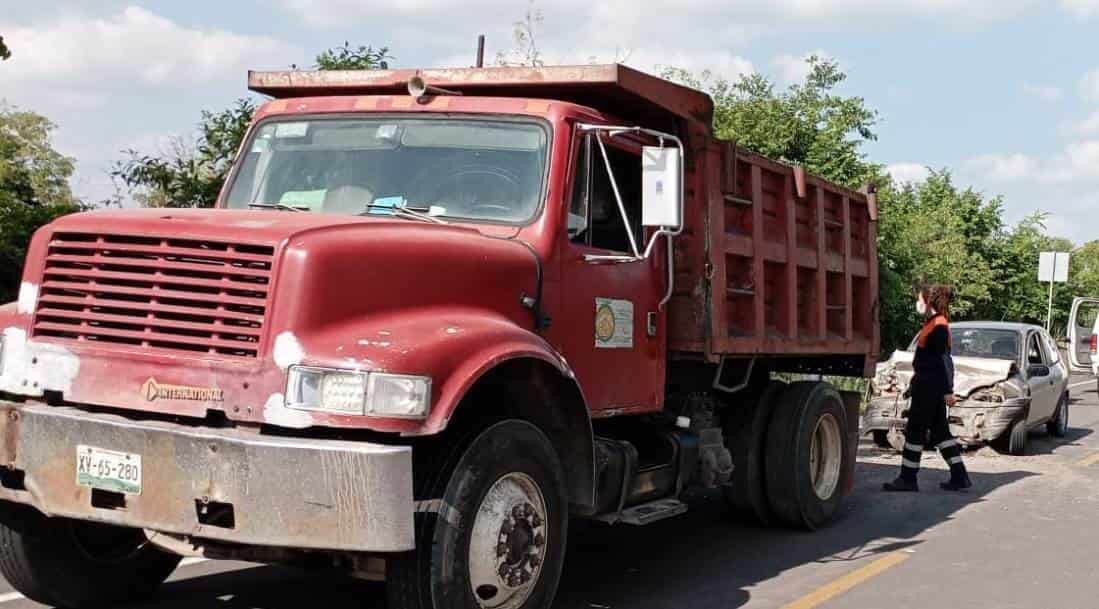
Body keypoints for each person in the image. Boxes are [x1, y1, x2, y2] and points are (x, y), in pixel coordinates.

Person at [883, 284, 973, 492]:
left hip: (929, 388)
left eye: (919, 300)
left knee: (915, 431)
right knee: (941, 433)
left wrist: (947, 391)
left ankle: (908, 479)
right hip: (927, 385)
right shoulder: (934, 323)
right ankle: (960, 476)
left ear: (928, 302)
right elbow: (930, 360)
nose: (916, 304)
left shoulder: (939, 326)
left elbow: (944, 361)